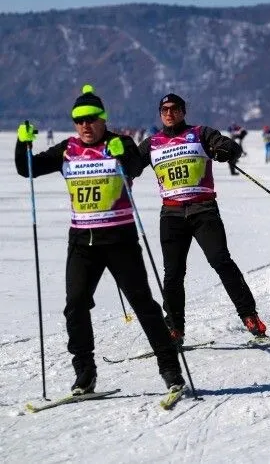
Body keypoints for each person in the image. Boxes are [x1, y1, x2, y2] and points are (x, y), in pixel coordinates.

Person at [14, 85, 184, 395]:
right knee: (75, 307)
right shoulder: (67, 149)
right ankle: (85, 374)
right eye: (79, 121)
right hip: (82, 243)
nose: (85, 126)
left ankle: (171, 370)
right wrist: (21, 143)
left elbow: (135, 168)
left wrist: (125, 156)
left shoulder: (120, 142)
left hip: (120, 240)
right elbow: (28, 169)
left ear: (103, 119)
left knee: (144, 305)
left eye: (92, 119)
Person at [135, 93, 270, 345]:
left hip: (203, 211)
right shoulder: (152, 143)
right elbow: (130, 164)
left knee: (221, 262)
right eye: (164, 109)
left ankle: (250, 317)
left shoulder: (200, 133)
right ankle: (175, 329)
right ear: (160, 113)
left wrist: (223, 149)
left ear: (183, 111)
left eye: (174, 109)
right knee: (173, 274)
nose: (169, 113)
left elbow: (231, 146)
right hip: (171, 214)